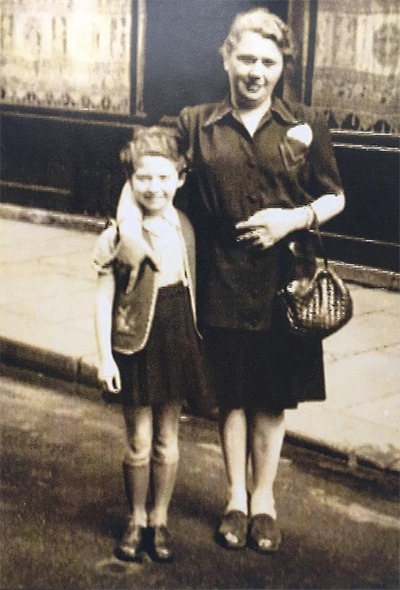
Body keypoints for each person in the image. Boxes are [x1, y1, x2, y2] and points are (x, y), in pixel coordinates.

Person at [117, 8, 345, 554]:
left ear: (281, 65)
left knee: (272, 397)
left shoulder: (302, 123)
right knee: (231, 395)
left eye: (268, 62)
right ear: (226, 58)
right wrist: (128, 226)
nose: (256, 72)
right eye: (246, 59)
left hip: (284, 282)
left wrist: (293, 218)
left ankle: (264, 501)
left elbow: (334, 195)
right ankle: (235, 500)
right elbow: (144, 164)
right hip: (219, 275)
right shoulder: (196, 122)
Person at [93, 126, 208, 563]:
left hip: (176, 336)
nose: (154, 187)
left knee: (167, 439)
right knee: (139, 439)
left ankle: (160, 519)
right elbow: (103, 297)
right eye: (143, 178)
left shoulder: (185, 226)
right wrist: (105, 357)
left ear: (180, 178)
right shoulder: (118, 235)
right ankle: (136, 518)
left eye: (164, 178)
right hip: (135, 342)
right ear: (130, 181)